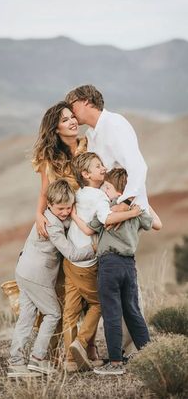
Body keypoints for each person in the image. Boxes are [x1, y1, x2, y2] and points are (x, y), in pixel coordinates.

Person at [65, 84, 150, 354]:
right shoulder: (92, 134)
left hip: (123, 213)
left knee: (121, 281)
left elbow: (138, 167)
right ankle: (131, 347)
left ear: (86, 101)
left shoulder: (115, 124)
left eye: (72, 104)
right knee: (117, 282)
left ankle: (131, 350)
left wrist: (124, 204)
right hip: (108, 215)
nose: (71, 111)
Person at [71, 167, 162, 375]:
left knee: (112, 313)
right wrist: (142, 201)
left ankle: (115, 363)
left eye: (108, 187)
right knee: (132, 311)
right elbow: (157, 224)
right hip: (129, 266)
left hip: (109, 265)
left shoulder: (107, 209)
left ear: (118, 191)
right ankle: (151, 354)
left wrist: (75, 216)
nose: (104, 190)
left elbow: (88, 229)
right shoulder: (137, 211)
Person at [32, 101, 100, 365]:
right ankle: (58, 353)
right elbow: (44, 191)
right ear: (56, 128)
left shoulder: (89, 145)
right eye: (65, 119)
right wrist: (39, 214)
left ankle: (89, 348)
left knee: (93, 288)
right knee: (65, 293)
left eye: (73, 117)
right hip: (64, 229)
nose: (73, 121)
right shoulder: (51, 157)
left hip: (87, 227)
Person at [8, 179, 96, 378]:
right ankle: (38, 359)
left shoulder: (49, 216)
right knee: (53, 314)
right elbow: (71, 254)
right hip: (36, 275)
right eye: (61, 208)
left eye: (69, 207)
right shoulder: (52, 226)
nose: (65, 212)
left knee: (26, 318)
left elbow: (65, 220)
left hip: (23, 270)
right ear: (49, 205)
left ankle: (15, 363)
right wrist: (94, 249)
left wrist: (72, 216)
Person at [63, 153, 142, 372]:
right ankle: (80, 343)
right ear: (86, 174)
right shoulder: (99, 197)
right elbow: (106, 219)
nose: (104, 168)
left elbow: (84, 225)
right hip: (88, 261)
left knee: (70, 310)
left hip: (70, 260)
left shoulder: (78, 194)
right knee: (98, 304)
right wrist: (132, 211)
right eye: (98, 166)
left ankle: (70, 359)